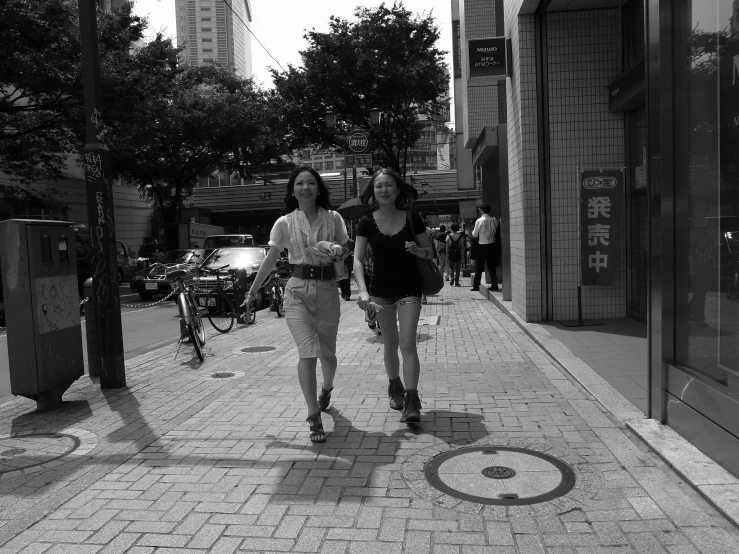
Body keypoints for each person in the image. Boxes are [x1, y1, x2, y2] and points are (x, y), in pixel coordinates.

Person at [243, 167, 351, 443]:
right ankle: (313, 415)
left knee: (328, 355)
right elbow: (270, 260)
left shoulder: (334, 218)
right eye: (300, 184)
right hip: (297, 293)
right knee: (307, 353)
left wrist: (339, 250)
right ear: (293, 190)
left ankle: (326, 389)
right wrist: (252, 291)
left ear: (318, 188)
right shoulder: (283, 223)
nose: (305, 188)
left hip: (327, 291)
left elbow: (347, 246)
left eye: (311, 183)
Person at [354, 169, 434, 423]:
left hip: (409, 288)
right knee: (389, 343)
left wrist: (418, 251)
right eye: (379, 186)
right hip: (379, 291)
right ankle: (395, 387)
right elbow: (356, 259)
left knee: (407, 343)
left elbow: (430, 252)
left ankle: (412, 401)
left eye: (389, 185)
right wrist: (363, 291)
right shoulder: (366, 222)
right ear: (373, 192)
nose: (384, 190)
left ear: (398, 190)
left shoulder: (412, 218)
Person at [471, 202, 500, 292]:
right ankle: (494, 285)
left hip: (482, 245)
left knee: (479, 266)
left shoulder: (479, 221)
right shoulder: (494, 220)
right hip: (492, 245)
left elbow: (474, 234)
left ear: (481, 210)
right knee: (491, 266)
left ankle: (476, 286)